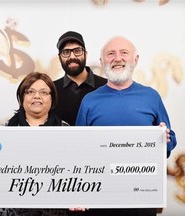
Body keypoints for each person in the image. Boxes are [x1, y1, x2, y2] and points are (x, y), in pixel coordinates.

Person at [0, 72, 88, 216]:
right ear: (22, 97)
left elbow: (77, 172)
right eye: (30, 92)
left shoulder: (66, 132)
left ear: (52, 99)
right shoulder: (3, 130)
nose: (37, 96)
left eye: (43, 92)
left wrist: (78, 197)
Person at [75, 36, 177, 216]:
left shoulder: (151, 96)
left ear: (135, 60)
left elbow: (169, 142)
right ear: (102, 61)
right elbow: (77, 150)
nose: (117, 58)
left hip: (141, 196)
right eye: (110, 54)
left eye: (124, 53)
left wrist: (165, 138)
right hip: (99, 196)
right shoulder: (89, 101)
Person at [54, 31, 107, 126]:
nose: (72, 56)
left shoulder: (105, 86)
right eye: (66, 52)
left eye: (77, 51)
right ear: (59, 58)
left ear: (85, 54)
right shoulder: (51, 90)